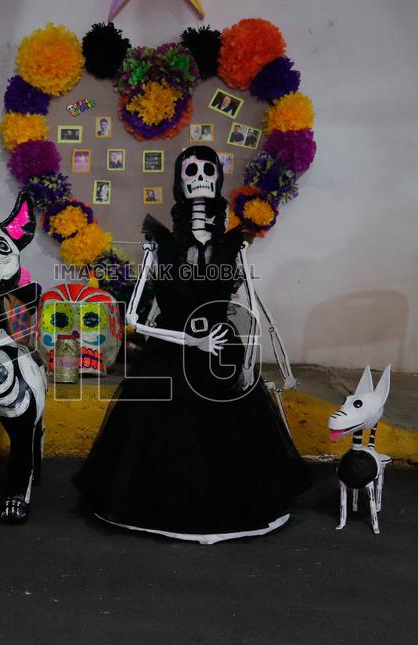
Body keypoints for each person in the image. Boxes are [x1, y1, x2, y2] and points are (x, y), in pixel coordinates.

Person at [74, 146, 310, 543]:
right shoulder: (158, 244)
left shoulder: (236, 245)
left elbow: (249, 308)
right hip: (170, 355)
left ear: (217, 178)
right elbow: (133, 318)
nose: (199, 176)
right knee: (167, 431)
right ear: (179, 180)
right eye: (190, 170)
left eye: (207, 169)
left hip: (222, 356)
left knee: (230, 437)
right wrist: (189, 339)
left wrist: (251, 362)